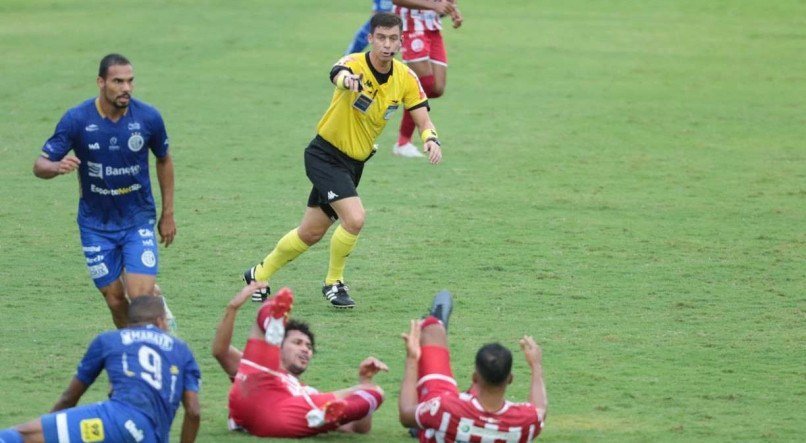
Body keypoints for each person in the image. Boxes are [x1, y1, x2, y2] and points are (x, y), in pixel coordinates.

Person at [244, 12, 443, 308]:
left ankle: (258, 274)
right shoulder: (354, 64)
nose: (387, 45)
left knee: (310, 233)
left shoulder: (405, 77)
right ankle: (333, 283)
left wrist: (430, 138)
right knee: (355, 218)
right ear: (370, 39)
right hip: (324, 155)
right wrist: (346, 80)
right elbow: (338, 72)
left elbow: (422, 116)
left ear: (400, 41)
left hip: (353, 164)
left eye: (393, 39)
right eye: (381, 38)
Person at [33, 53, 177, 328]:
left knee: (140, 298)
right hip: (95, 224)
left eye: (130, 81)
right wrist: (56, 166)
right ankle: (129, 346)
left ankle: (160, 348)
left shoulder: (148, 117)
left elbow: (164, 159)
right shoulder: (77, 119)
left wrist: (167, 214)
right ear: (101, 82)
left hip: (137, 219)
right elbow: (40, 165)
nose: (126, 88)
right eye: (118, 82)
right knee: (114, 299)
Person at [0, 296, 201, 443]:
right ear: (160, 321)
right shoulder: (182, 350)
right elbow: (193, 411)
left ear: (129, 322)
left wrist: (52, 425)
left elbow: (70, 397)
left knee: (19, 436)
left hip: (117, 420)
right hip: (152, 437)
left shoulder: (110, 340)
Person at [212, 282, 388, 438]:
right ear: (280, 345)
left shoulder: (307, 393)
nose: (305, 349)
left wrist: (365, 382)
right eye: (297, 343)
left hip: (289, 416)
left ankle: (322, 417)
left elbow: (358, 428)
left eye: (309, 347)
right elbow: (220, 351)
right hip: (259, 394)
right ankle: (273, 323)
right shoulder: (259, 370)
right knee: (269, 305)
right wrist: (232, 308)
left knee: (375, 391)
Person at [399, 291, 548, 442]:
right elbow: (540, 410)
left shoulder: (443, 408)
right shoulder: (525, 421)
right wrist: (536, 365)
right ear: (510, 379)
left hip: (450, 411)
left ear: (475, 377)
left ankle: (422, 421)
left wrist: (412, 358)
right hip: (460, 412)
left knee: (432, 329)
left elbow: (405, 415)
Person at [391, 0, 463, 158]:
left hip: (433, 28)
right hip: (410, 27)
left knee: (437, 89)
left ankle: (394, 94)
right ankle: (403, 142)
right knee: (425, 83)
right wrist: (433, 6)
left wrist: (453, 9)